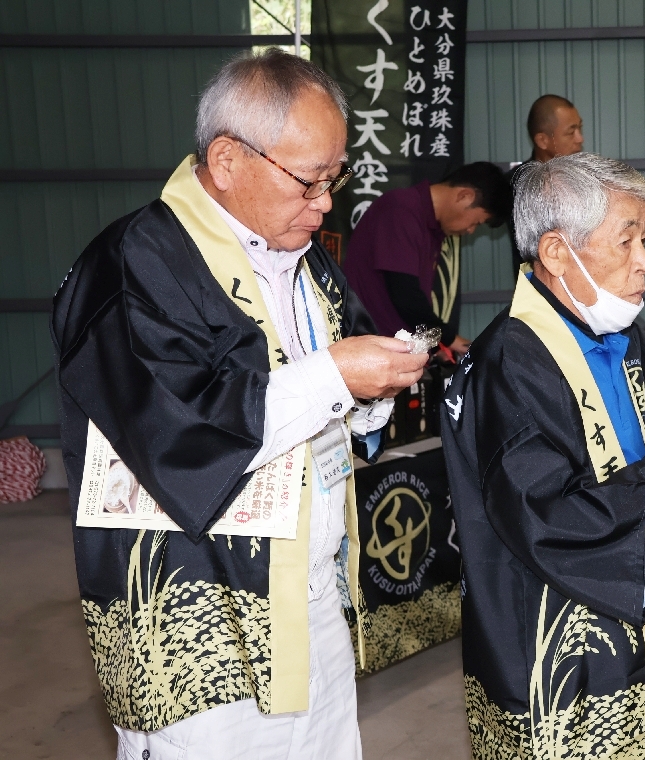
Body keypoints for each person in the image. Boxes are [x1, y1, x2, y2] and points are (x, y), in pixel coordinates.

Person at [52, 49, 428, 760]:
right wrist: (333, 377)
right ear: (226, 160)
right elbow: (181, 435)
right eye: (309, 180)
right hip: (196, 611)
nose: (325, 202)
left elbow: (324, 381)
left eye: (333, 178)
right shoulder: (135, 265)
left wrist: (369, 393)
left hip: (309, 594)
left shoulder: (302, 254)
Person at [440, 152, 645, 760]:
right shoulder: (508, 364)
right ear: (558, 252)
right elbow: (542, 515)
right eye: (627, 241)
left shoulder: (619, 328)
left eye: (644, 239)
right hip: (555, 628)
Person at [343, 162, 511, 357]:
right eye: (476, 222)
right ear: (465, 196)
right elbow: (406, 296)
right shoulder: (400, 209)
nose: (470, 230)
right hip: (373, 350)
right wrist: (447, 338)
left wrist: (436, 345)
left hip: (397, 351)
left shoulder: (432, 229)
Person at [508, 94, 586, 273]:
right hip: (536, 285)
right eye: (570, 132)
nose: (580, 138)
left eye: (580, 129)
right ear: (542, 140)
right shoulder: (516, 185)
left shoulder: (586, 180)